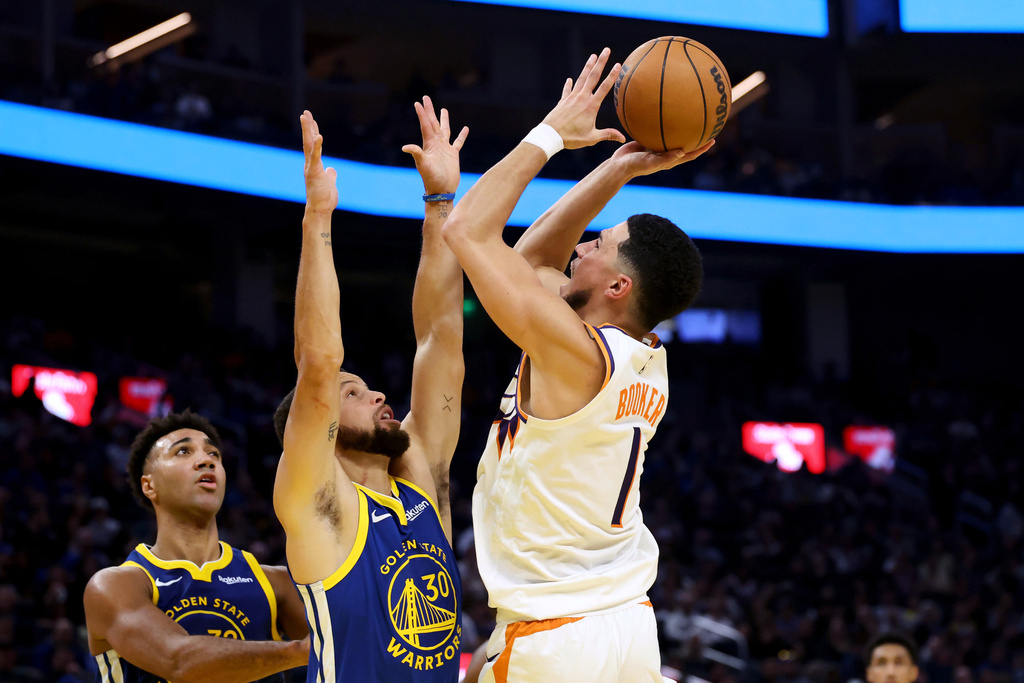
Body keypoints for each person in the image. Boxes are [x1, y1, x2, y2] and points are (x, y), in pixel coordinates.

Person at [440, 48, 714, 681]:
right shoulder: (641, 358)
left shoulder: (575, 352)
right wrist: (616, 171)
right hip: (624, 625)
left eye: (600, 244)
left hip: (558, 641)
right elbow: (531, 258)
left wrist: (551, 136)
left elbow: (467, 231)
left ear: (617, 287)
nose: (583, 244)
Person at [271, 100, 467, 682]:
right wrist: (318, 219)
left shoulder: (421, 485)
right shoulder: (319, 504)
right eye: (354, 393)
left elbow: (440, 337)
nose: (381, 395)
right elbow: (319, 364)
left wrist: (439, 206)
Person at [83, 410, 309, 683]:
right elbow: (178, 661)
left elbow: (350, 648)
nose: (206, 461)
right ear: (149, 485)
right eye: (183, 452)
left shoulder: (275, 582)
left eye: (214, 454)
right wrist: (298, 651)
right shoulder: (114, 586)